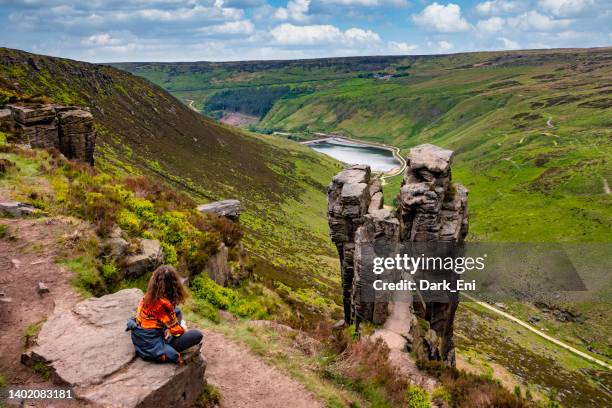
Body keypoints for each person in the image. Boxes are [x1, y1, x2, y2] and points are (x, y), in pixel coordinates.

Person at [126, 265, 203, 364]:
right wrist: (180, 329)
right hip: (154, 347)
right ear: (174, 284)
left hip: (141, 339)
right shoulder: (165, 305)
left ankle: (168, 330)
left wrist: (168, 329)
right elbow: (178, 332)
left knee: (177, 311)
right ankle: (168, 346)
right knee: (197, 335)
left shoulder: (147, 297)